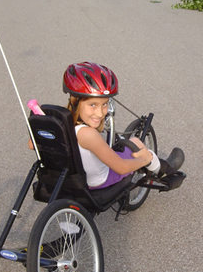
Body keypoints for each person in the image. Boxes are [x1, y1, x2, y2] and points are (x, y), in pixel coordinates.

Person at [62, 61, 185, 189]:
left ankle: (153, 163)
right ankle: (162, 169)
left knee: (123, 147)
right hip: (100, 181)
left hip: (75, 177)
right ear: (76, 102)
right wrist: (144, 160)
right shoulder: (88, 134)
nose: (100, 113)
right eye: (92, 105)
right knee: (136, 143)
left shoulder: (63, 124)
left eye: (104, 104)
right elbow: (121, 167)